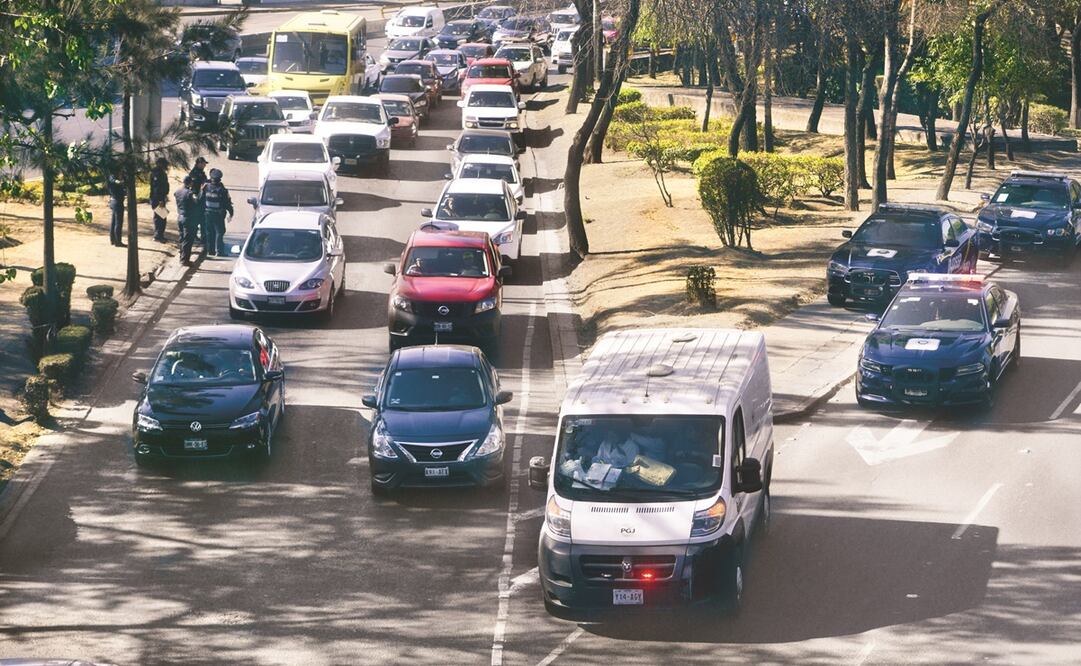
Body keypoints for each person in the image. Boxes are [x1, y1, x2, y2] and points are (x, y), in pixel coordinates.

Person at [200, 167, 233, 257]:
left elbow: (201, 199)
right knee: (219, 232)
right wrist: (231, 212)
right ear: (219, 179)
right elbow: (227, 203)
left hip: (207, 214)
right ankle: (219, 251)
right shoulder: (222, 190)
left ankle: (210, 251)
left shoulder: (206, 188)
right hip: (218, 215)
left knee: (209, 232)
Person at [174, 176, 201, 265]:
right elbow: (196, 204)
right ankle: (185, 260)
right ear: (190, 183)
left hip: (180, 216)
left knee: (182, 238)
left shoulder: (178, 191)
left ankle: (181, 256)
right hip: (188, 218)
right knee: (188, 240)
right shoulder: (189, 193)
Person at [188, 157, 209, 243]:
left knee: (202, 218)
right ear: (199, 164)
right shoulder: (194, 174)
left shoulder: (200, 172)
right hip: (196, 198)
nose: (204, 165)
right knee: (197, 218)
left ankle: (203, 237)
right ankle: (194, 236)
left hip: (201, 198)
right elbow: (194, 187)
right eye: (203, 163)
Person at [149, 157, 169, 243]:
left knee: (161, 216)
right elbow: (157, 188)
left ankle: (159, 234)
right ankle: (158, 235)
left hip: (160, 197)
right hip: (158, 198)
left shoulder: (159, 172)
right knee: (160, 217)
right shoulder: (157, 173)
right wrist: (161, 199)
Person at [106, 169, 125, 247]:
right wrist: (122, 182)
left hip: (114, 201)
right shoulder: (114, 178)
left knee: (114, 222)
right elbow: (116, 182)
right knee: (118, 222)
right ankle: (117, 241)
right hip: (117, 201)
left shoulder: (112, 177)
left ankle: (113, 240)